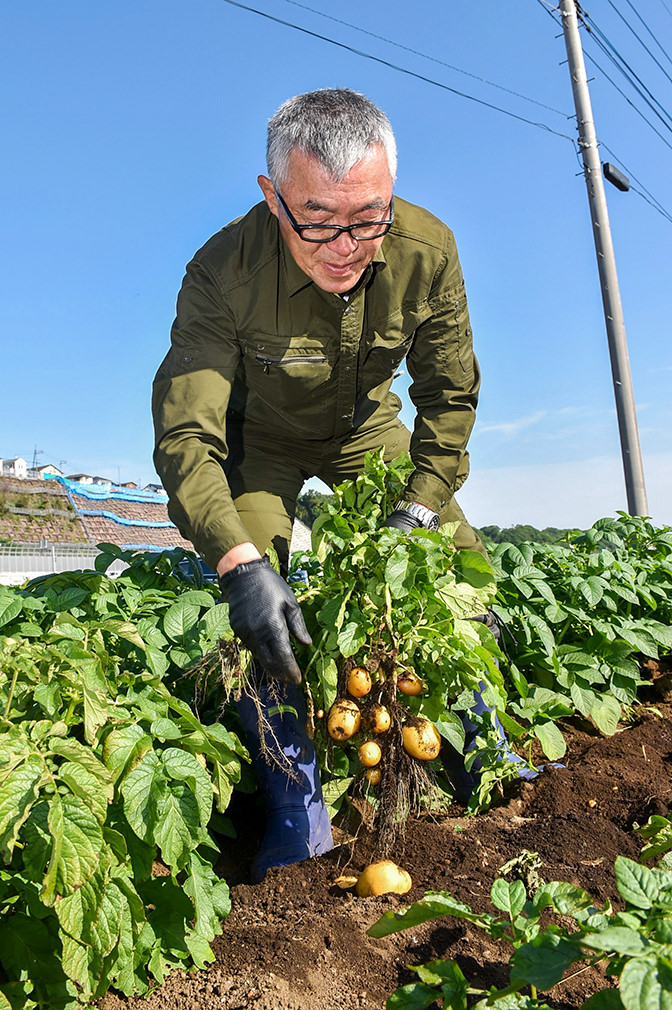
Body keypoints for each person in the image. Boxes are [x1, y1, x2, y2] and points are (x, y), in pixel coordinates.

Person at [153, 88, 513, 881]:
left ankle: (485, 757)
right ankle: (296, 810)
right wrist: (240, 563)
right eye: (318, 219)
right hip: (261, 437)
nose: (347, 245)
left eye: (369, 215)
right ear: (270, 194)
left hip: (362, 429)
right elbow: (188, 434)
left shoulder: (428, 249)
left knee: (457, 566)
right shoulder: (221, 272)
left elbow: (449, 398)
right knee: (254, 610)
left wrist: (418, 512)